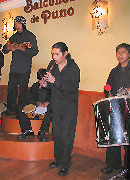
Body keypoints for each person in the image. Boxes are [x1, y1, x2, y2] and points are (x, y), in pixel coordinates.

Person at [43, 42, 80, 176]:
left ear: (65, 54)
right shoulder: (52, 66)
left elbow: (71, 88)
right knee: (57, 135)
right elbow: (50, 87)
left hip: (69, 107)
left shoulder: (73, 68)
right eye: (53, 54)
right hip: (56, 106)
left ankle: (65, 164)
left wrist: (54, 81)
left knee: (67, 136)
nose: (54, 57)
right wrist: (45, 83)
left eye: (57, 54)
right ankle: (58, 160)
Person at [101, 43, 130, 179]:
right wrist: (108, 93)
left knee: (129, 139)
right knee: (114, 137)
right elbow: (107, 85)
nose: (119, 55)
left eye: (122, 52)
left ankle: (129, 167)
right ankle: (112, 165)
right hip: (115, 106)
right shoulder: (114, 71)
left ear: (129, 54)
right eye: (117, 53)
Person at [2, 16, 39, 115]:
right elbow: (4, 50)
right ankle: (10, 110)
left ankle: (21, 111)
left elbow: (35, 51)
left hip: (25, 68)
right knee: (11, 90)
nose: (17, 26)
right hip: (14, 68)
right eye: (15, 24)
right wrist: (9, 48)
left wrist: (21, 49)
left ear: (23, 24)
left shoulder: (30, 36)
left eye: (18, 23)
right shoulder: (13, 37)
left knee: (23, 91)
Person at [17, 68, 51, 142]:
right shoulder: (35, 86)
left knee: (53, 107)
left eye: (45, 80)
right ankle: (28, 130)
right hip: (36, 107)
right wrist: (36, 103)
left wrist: (48, 102)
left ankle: (42, 132)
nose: (43, 82)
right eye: (41, 80)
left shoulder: (52, 86)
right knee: (21, 106)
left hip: (47, 108)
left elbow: (57, 98)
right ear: (38, 80)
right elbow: (28, 99)